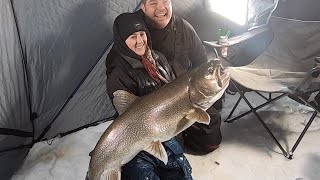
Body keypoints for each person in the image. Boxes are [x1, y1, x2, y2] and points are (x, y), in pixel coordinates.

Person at [105, 12, 192, 179]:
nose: (140, 41)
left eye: (142, 34)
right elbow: (127, 110)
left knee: (183, 173)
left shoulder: (158, 58)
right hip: (136, 134)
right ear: (122, 41)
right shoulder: (118, 72)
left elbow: (174, 88)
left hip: (165, 128)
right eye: (132, 37)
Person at [137, 0, 223, 155]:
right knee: (168, 150)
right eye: (153, 3)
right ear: (142, 7)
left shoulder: (184, 28)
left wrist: (206, 94)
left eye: (165, 1)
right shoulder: (135, 32)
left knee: (211, 136)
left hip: (186, 94)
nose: (161, 8)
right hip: (154, 104)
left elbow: (201, 61)